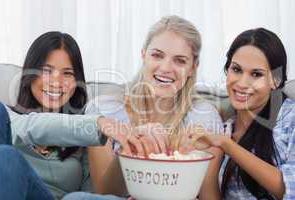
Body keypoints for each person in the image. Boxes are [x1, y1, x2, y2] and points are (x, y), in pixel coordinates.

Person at [63, 15, 224, 200]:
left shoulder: (204, 117)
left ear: (193, 67)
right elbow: (105, 193)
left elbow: (209, 196)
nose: (165, 68)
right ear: (143, 55)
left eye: (180, 61)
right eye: (157, 55)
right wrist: (130, 145)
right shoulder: (104, 110)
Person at [0, 32, 150, 200]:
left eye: (67, 73)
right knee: (5, 153)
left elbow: (97, 193)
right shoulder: (6, 117)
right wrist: (98, 124)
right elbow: (28, 127)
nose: (56, 81)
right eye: (47, 70)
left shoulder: (90, 129)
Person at [189, 28, 295, 200]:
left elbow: (289, 190)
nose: (242, 83)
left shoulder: (289, 118)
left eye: (256, 74)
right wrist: (211, 156)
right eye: (236, 70)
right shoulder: (224, 129)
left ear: (275, 80)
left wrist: (227, 145)